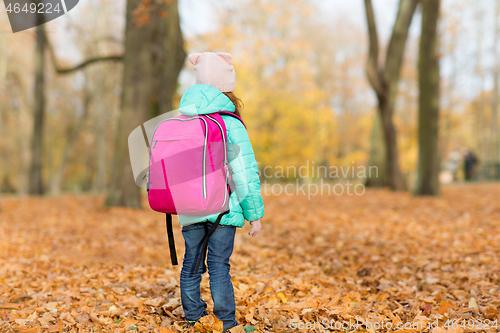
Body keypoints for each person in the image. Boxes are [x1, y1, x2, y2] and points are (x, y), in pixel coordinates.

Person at [178, 52, 264, 333]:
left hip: (189, 207)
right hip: (224, 209)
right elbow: (244, 172)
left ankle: (194, 318)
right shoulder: (230, 123)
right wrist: (255, 215)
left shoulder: (182, 120)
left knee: (191, 264)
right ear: (227, 84)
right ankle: (226, 323)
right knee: (218, 267)